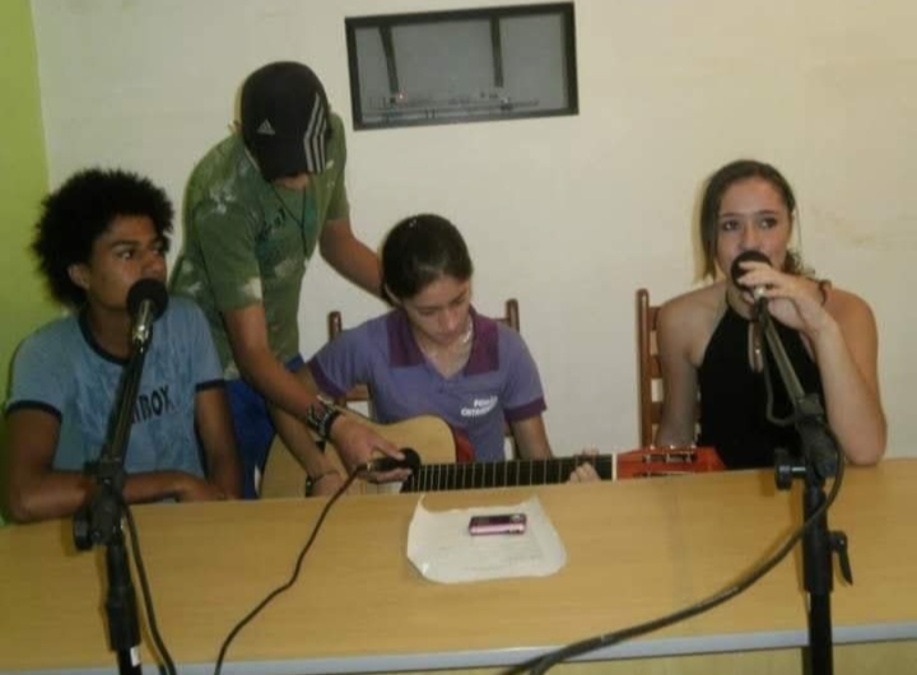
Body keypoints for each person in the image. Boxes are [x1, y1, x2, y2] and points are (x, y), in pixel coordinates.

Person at [170, 61, 401, 498]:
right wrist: (336, 425)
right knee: (237, 509)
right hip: (217, 363)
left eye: (307, 167)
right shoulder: (223, 197)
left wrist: (408, 297)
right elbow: (251, 354)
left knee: (314, 488)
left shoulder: (330, 137)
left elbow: (337, 241)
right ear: (241, 135)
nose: (300, 182)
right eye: (285, 171)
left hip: (276, 347)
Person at [4, 168, 242, 524]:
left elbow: (221, 449)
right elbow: (24, 496)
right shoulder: (45, 354)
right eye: (128, 254)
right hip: (95, 540)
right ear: (81, 274)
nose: (153, 265)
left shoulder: (186, 322)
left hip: (187, 532)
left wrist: (223, 515)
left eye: (156, 248)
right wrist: (174, 483)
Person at [305, 213, 597, 482]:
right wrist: (324, 467)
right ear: (394, 296)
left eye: (459, 300)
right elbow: (288, 398)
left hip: (484, 505)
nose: (449, 324)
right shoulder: (369, 344)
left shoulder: (506, 349)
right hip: (395, 509)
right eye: (428, 312)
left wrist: (574, 486)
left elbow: (540, 462)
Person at [654, 159, 886, 469]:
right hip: (717, 495)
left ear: (789, 228)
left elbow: (866, 451)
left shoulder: (846, 312)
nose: (750, 241)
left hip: (817, 492)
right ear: (711, 237)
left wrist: (821, 329)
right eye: (730, 225)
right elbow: (676, 436)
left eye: (767, 222)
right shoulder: (680, 319)